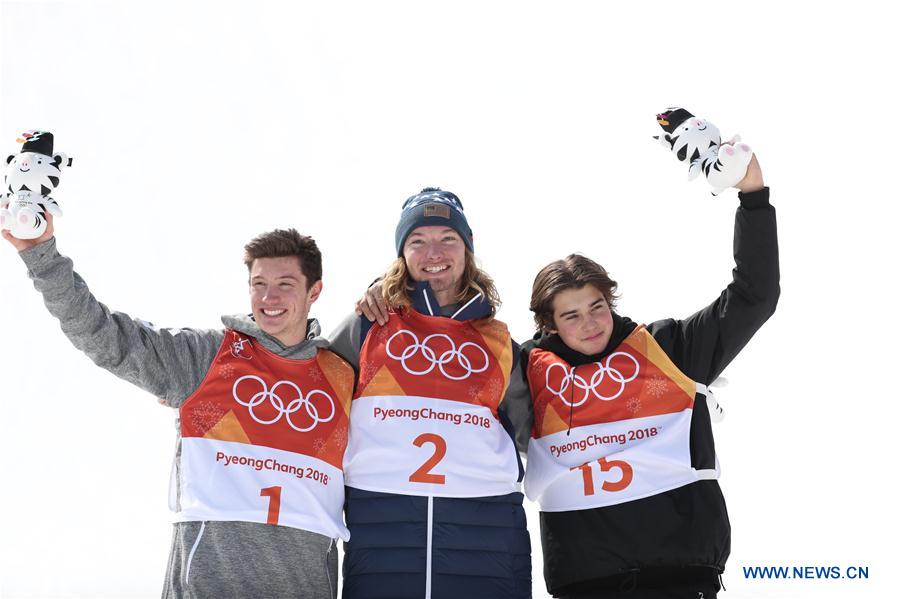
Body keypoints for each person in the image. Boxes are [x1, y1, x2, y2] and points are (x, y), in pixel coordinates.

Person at [3, 219, 355, 598]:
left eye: (285, 285)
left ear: (314, 291)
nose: (269, 298)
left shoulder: (342, 376)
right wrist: (39, 253)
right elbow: (103, 334)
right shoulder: (207, 358)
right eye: (259, 285)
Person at [522, 155, 778, 598]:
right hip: (587, 583)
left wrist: (752, 196)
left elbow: (755, 296)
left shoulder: (670, 349)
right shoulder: (526, 370)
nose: (590, 323)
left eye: (597, 307)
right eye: (572, 315)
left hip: (682, 579)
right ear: (549, 323)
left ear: (611, 301)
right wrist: (384, 297)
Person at [330, 188, 533, 599]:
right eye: (417, 241)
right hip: (383, 540)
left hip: (487, 542)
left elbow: (545, 427)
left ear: (467, 249)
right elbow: (301, 384)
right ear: (401, 254)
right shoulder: (369, 325)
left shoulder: (499, 342)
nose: (433, 252)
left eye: (447, 239)